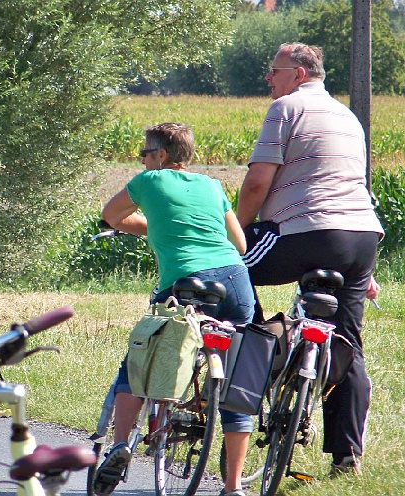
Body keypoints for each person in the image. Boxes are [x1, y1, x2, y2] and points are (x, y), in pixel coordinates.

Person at [237, 42, 384, 475]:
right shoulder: (348, 116)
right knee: (346, 343)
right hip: (361, 240)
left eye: (274, 70)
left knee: (225, 272)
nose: (268, 79)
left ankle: (257, 364)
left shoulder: (287, 108)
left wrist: (237, 234)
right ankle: (346, 458)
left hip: (307, 232)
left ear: (299, 73)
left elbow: (256, 183)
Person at [94, 122, 255, 496]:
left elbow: (111, 215)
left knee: (141, 358)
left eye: (145, 154)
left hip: (183, 282)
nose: (143, 160)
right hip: (234, 280)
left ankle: (120, 446)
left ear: (161, 156)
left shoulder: (151, 181)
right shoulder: (212, 186)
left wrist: (154, 227)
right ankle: (233, 486)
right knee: (237, 379)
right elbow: (242, 244)